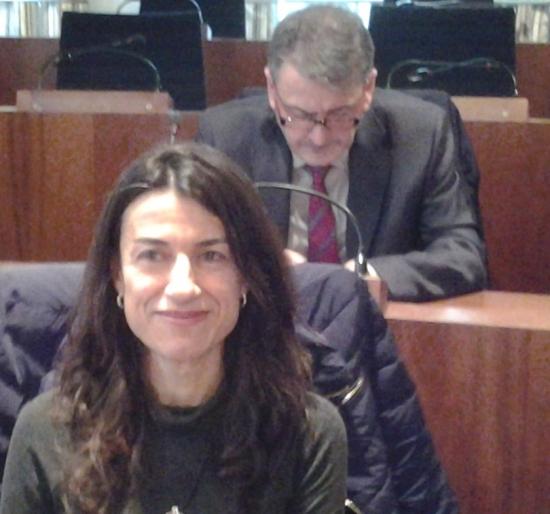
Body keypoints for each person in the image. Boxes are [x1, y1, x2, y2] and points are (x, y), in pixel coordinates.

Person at [0, 142, 348, 514]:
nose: (183, 287)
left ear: (246, 276)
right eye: (152, 255)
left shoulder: (308, 433)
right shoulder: (45, 431)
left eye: (212, 256)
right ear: (117, 275)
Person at [196, 4, 488, 302]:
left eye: (340, 115)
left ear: (368, 88)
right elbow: (194, 246)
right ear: (272, 88)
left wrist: (364, 276)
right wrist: (261, 264)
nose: (319, 138)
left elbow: (462, 255)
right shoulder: (225, 138)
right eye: (300, 115)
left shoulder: (421, 134)